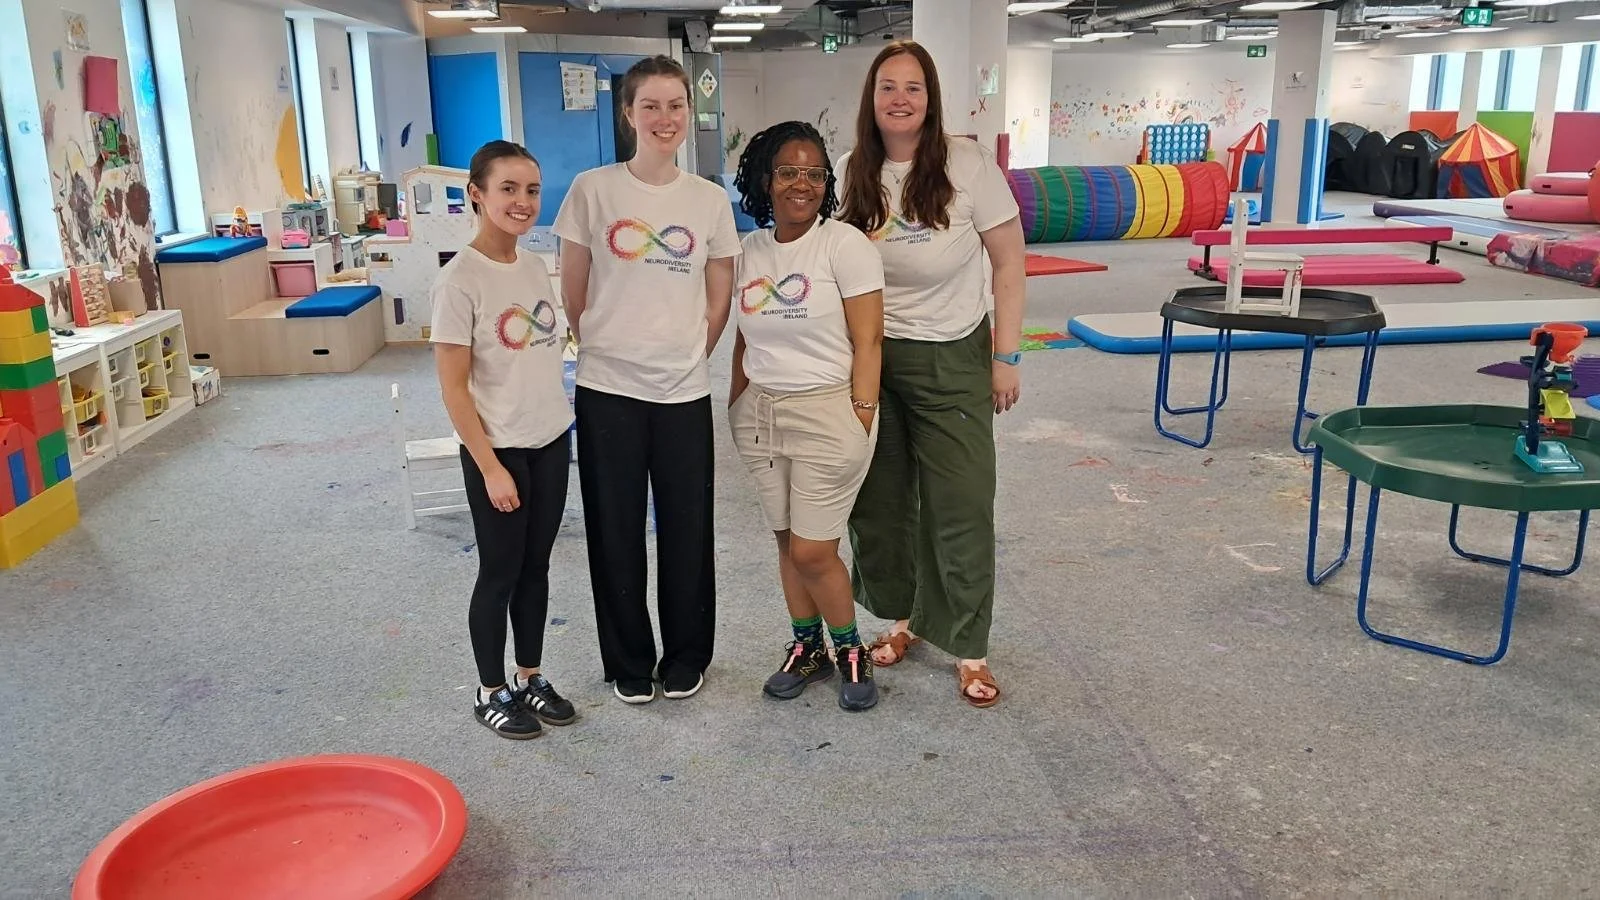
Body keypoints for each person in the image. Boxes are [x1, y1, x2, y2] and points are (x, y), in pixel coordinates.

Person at [836, 41, 1027, 709]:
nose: (899, 98)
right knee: (883, 504)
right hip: (872, 358)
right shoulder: (850, 169)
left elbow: (1008, 264)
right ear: (872, 96)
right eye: (888, 86)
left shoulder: (968, 163)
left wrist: (1007, 356)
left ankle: (970, 648)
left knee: (963, 504)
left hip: (953, 354)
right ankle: (904, 620)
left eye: (913, 87)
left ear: (930, 97)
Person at [553, 56, 740, 705]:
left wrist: (691, 350)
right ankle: (628, 660)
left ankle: (687, 653)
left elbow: (721, 294)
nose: (665, 118)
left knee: (689, 528)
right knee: (615, 529)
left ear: (690, 114)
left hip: (683, 390)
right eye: (651, 106)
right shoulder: (593, 189)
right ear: (629, 114)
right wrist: (599, 340)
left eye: (675, 106)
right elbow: (572, 283)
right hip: (608, 386)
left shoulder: (708, 200)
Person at [728, 121, 886, 712]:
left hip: (828, 410)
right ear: (765, 180)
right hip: (762, 414)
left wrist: (861, 415)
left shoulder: (843, 245)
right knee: (786, 542)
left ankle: (850, 649)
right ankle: (807, 645)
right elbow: (744, 340)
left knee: (814, 551)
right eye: (789, 172)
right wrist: (738, 403)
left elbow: (869, 340)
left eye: (815, 174)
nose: (803, 184)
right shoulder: (749, 251)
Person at [431, 139, 578, 740]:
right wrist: (489, 465)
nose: (522, 202)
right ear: (477, 195)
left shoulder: (533, 266)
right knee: (500, 572)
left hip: (550, 440)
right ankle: (489, 689)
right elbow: (454, 389)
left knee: (537, 567)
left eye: (532, 190)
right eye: (508, 189)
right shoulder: (458, 281)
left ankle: (528, 676)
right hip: (500, 451)